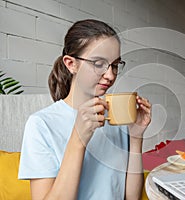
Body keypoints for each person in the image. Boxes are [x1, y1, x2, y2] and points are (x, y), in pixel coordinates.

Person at [18, 19, 152, 200]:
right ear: (71, 64)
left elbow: (131, 197)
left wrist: (136, 137)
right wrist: (78, 138)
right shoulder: (41, 124)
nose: (110, 75)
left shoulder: (116, 119)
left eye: (115, 65)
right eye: (98, 64)